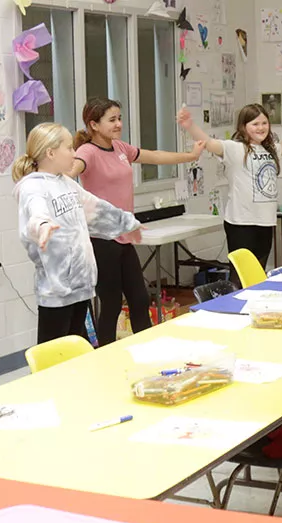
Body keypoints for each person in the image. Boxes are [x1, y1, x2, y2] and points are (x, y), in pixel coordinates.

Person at [66, 97, 205, 345]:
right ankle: (105, 359)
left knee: (139, 299)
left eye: (120, 118)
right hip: (102, 240)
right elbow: (71, 172)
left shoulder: (120, 148)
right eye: (112, 120)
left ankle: (147, 350)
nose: (119, 123)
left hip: (124, 237)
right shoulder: (87, 151)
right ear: (94, 125)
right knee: (110, 304)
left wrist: (189, 156)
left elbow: (154, 156)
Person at [12, 122, 142, 344]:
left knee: (77, 348)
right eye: (69, 148)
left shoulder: (66, 183)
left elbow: (94, 207)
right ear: (51, 153)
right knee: (54, 353)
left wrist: (128, 223)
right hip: (56, 289)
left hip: (80, 285)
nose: (74, 153)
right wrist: (42, 226)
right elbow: (35, 212)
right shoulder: (32, 187)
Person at [178, 104, 282, 279]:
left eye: (264, 123)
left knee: (257, 276)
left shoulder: (271, 149)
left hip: (266, 222)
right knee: (240, 276)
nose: (261, 128)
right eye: (255, 124)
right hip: (241, 222)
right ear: (243, 127)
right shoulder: (235, 149)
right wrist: (189, 125)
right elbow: (209, 142)